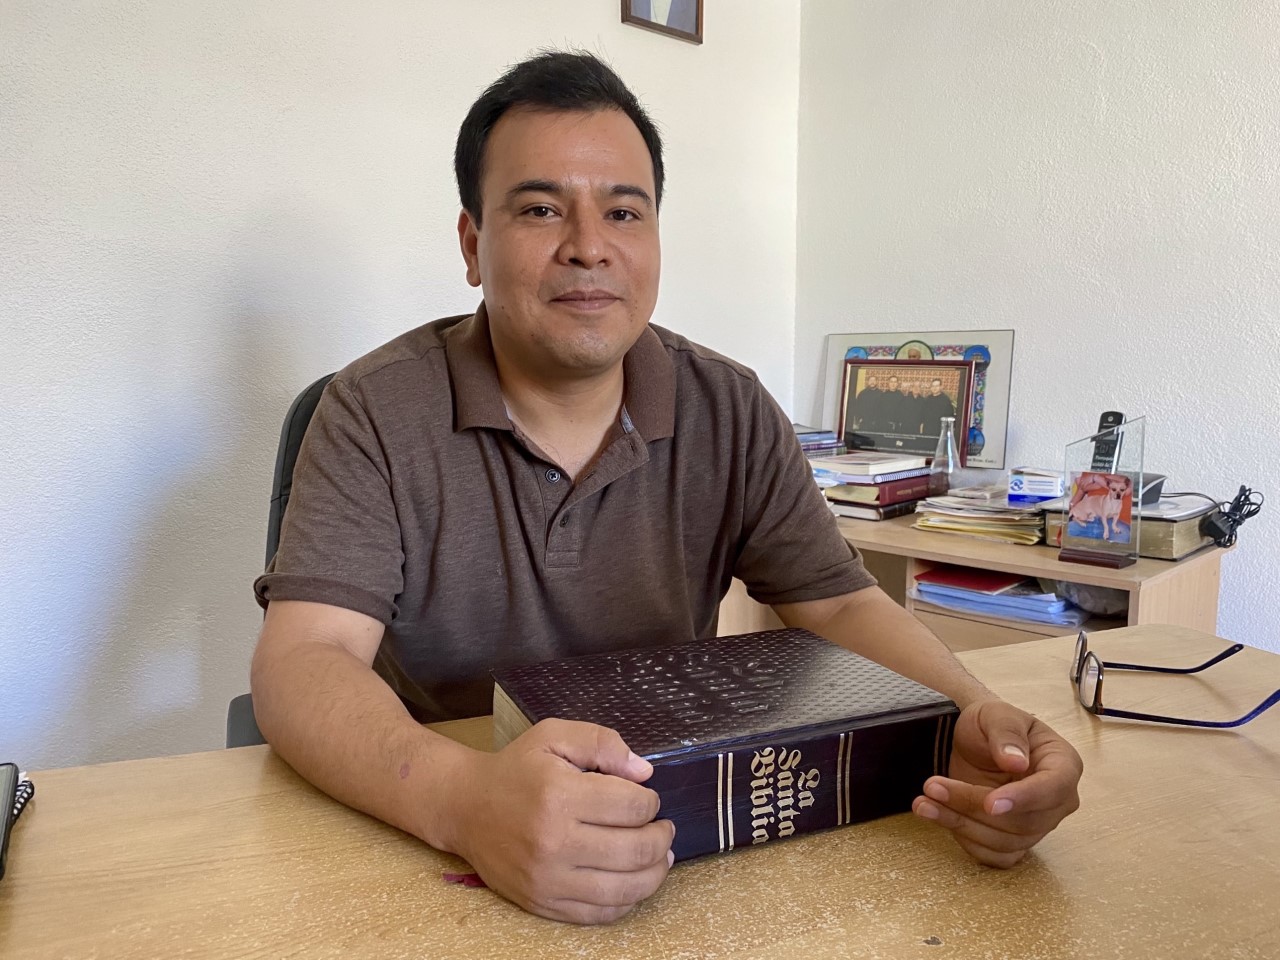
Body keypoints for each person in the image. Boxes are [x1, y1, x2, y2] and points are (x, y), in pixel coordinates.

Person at [249, 51, 1082, 927]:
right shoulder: (373, 410)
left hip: (672, 821)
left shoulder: (729, 405)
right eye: (540, 209)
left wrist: (973, 714)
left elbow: (839, 604)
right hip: (431, 827)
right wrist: (464, 803)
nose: (589, 246)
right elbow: (305, 660)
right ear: (471, 244)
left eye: (623, 212)